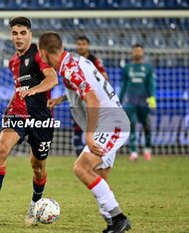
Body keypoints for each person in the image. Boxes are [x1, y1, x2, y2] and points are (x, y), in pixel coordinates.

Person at [41, 32, 131, 233]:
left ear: (43, 53)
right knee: (99, 175)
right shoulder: (73, 61)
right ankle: (112, 223)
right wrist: (60, 99)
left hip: (111, 122)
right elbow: (85, 87)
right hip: (111, 120)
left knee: (81, 168)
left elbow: (92, 99)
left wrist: (89, 136)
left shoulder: (69, 68)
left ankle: (119, 218)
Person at [0, 17, 58, 226]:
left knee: (38, 165)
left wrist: (34, 90)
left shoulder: (39, 55)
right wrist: (9, 106)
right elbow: (19, 89)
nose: (18, 37)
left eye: (22, 33)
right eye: (15, 33)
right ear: (11, 36)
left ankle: (35, 203)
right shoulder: (13, 61)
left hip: (41, 118)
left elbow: (53, 79)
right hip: (19, 114)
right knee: (2, 149)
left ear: (30, 35)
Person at [72, 35, 109, 156]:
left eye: (83, 44)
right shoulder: (73, 60)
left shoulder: (94, 60)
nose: (81, 46)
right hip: (78, 98)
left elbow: (104, 76)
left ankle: (98, 154)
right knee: (77, 125)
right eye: (79, 44)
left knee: (95, 127)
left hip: (92, 98)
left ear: (87, 46)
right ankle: (79, 154)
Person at [119, 43, 156, 161]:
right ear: (132, 52)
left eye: (139, 51)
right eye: (135, 51)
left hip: (143, 101)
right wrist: (119, 100)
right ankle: (134, 152)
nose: (137, 53)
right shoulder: (127, 68)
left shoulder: (148, 68)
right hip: (130, 100)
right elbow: (123, 85)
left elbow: (151, 85)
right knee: (131, 125)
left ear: (143, 53)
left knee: (146, 125)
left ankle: (147, 150)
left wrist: (152, 98)